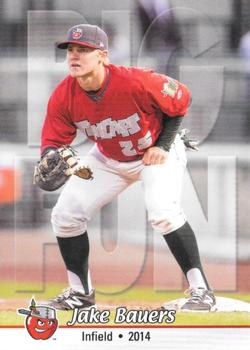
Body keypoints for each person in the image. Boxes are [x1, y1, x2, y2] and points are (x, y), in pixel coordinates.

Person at [36, 24, 216, 312]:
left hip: (155, 152)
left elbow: (182, 99)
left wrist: (164, 144)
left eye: (84, 50)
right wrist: (48, 156)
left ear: (103, 56)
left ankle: (202, 292)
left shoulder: (136, 81)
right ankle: (81, 294)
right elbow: (53, 140)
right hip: (108, 157)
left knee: (163, 213)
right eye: (70, 49)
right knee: (65, 216)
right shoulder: (64, 94)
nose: (74, 55)